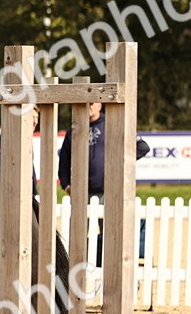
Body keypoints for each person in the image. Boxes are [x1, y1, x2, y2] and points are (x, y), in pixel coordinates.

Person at [57, 102, 150, 264]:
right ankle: (75, 270)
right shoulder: (74, 130)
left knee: (112, 235)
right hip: (81, 194)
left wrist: (120, 162)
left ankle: (111, 267)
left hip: (108, 192)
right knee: (76, 236)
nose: (89, 106)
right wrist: (66, 185)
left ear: (100, 105)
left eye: (92, 103)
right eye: (85, 103)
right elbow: (63, 162)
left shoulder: (114, 124)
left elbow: (142, 147)